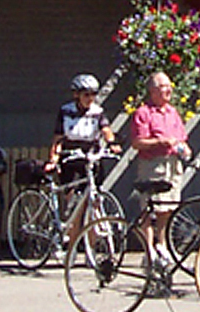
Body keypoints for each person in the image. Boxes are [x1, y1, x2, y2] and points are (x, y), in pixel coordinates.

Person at [48, 73, 115, 259]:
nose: (90, 98)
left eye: (93, 94)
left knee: (93, 205)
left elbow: (106, 130)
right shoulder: (66, 111)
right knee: (75, 205)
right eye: (86, 94)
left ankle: (90, 250)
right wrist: (53, 158)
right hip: (70, 159)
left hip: (90, 158)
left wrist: (112, 143)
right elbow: (58, 138)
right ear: (76, 95)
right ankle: (71, 248)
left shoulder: (98, 111)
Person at [130, 71, 191, 262]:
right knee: (149, 209)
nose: (169, 90)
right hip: (152, 165)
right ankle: (149, 251)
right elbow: (137, 143)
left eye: (169, 86)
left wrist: (185, 148)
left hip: (172, 164)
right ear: (153, 91)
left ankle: (162, 246)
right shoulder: (143, 113)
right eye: (164, 86)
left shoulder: (172, 112)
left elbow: (181, 138)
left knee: (167, 208)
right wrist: (160, 142)